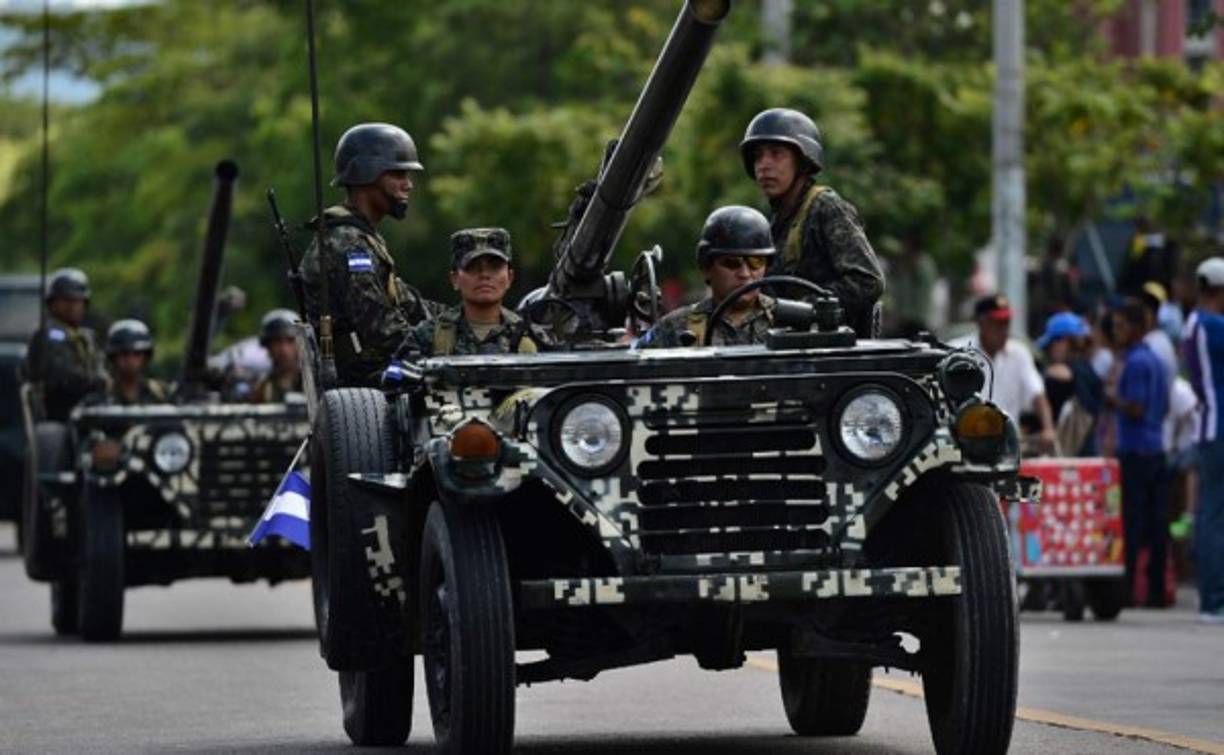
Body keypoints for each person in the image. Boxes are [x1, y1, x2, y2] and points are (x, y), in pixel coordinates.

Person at [298, 122, 437, 386]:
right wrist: (444, 342)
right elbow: (383, 330)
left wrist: (466, 320)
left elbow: (409, 303)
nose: (408, 185)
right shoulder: (348, 244)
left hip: (372, 376)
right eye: (398, 175)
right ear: (366, 174)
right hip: (365, 384)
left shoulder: (363, 238)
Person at [739, 108, 883, 336]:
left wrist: (804, 308)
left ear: (803, 161)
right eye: (757, 156)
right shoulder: (777, 221)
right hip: (789, 348)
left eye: (776, 153)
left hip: (830, 353)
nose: (763, 164)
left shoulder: (825, 207)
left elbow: (867, 281)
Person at [638, 206, 777, 348]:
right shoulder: (675, 327)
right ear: (707, 267)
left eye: (756, 262)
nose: (745, 274)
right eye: (732, 262)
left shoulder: (788, 319)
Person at [1108, 298, 1171, 608]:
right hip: (1157, 447)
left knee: (1132, 522)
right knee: (1158, 522)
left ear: (1134, 328)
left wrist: (1112, 398)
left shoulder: (1135, 362)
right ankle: (1158, 589)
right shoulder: (1157, 360)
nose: (1116, 332)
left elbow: (1136, 406)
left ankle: (1129, 589)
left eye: (1120, 326)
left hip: (1135, 450)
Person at [399, 228, 537, 358]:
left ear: (509, 277)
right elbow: (394, 377)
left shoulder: (533, 336)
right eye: (472, 267)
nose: (484, 274)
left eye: (494, 267)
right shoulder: (427, 337)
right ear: (455, 279)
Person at [1181, 257, 1224, 623]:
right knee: (1213, 515)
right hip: (1219, 427)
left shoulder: (1193, 323)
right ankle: (1214, 598)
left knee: (1210, 513)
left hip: (1207, 427)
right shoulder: (1213, 325)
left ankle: (1212, 595)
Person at [966, 294, 1056, 455]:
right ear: (981, 322)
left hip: (1006, 445)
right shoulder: (960, 352)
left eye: (1006, 323)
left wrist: (1048, 428)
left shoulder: (1019, 353)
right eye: (997, 323)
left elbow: (1037, 394)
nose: (1003, 330)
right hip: (967, 444)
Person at [23, 268, 107, 421]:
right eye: (66, 301)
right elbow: (62, 375)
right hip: (59, 410)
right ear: (52, 303)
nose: (73, 306)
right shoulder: (49, 335)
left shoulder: (86, 337)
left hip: (91, 407)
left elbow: (100, 366)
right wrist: (96, 382)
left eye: (77, 301)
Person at [1037, 311, 1103, 456]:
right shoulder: (1089, 368)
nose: (1050, 350)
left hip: (1072, 455)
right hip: (1089, 451)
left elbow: (1059, 374)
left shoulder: (1068, 370)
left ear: (1065, 341)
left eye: (1053, 343)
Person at [88, 319, 167, 405]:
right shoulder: (99, 399)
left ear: (145, 357)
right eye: (124, 354)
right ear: (113, 358)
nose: (130, 360)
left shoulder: (160, 395)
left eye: (137, 354)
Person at [251, 309, 302, 403]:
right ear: (267, 345)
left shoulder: (314, 384)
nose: (284, 349)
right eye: (277, 341)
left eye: (290, 340)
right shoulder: (262, 387)